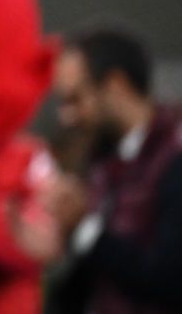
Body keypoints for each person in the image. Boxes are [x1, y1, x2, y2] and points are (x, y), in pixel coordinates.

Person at [45, 25, 182, 313]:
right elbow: (94, 280)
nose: (67, 117)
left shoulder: (174, 155)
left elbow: (169, 278)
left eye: (76, 99)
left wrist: (85, 230)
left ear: (116, 86)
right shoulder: (102, 160)